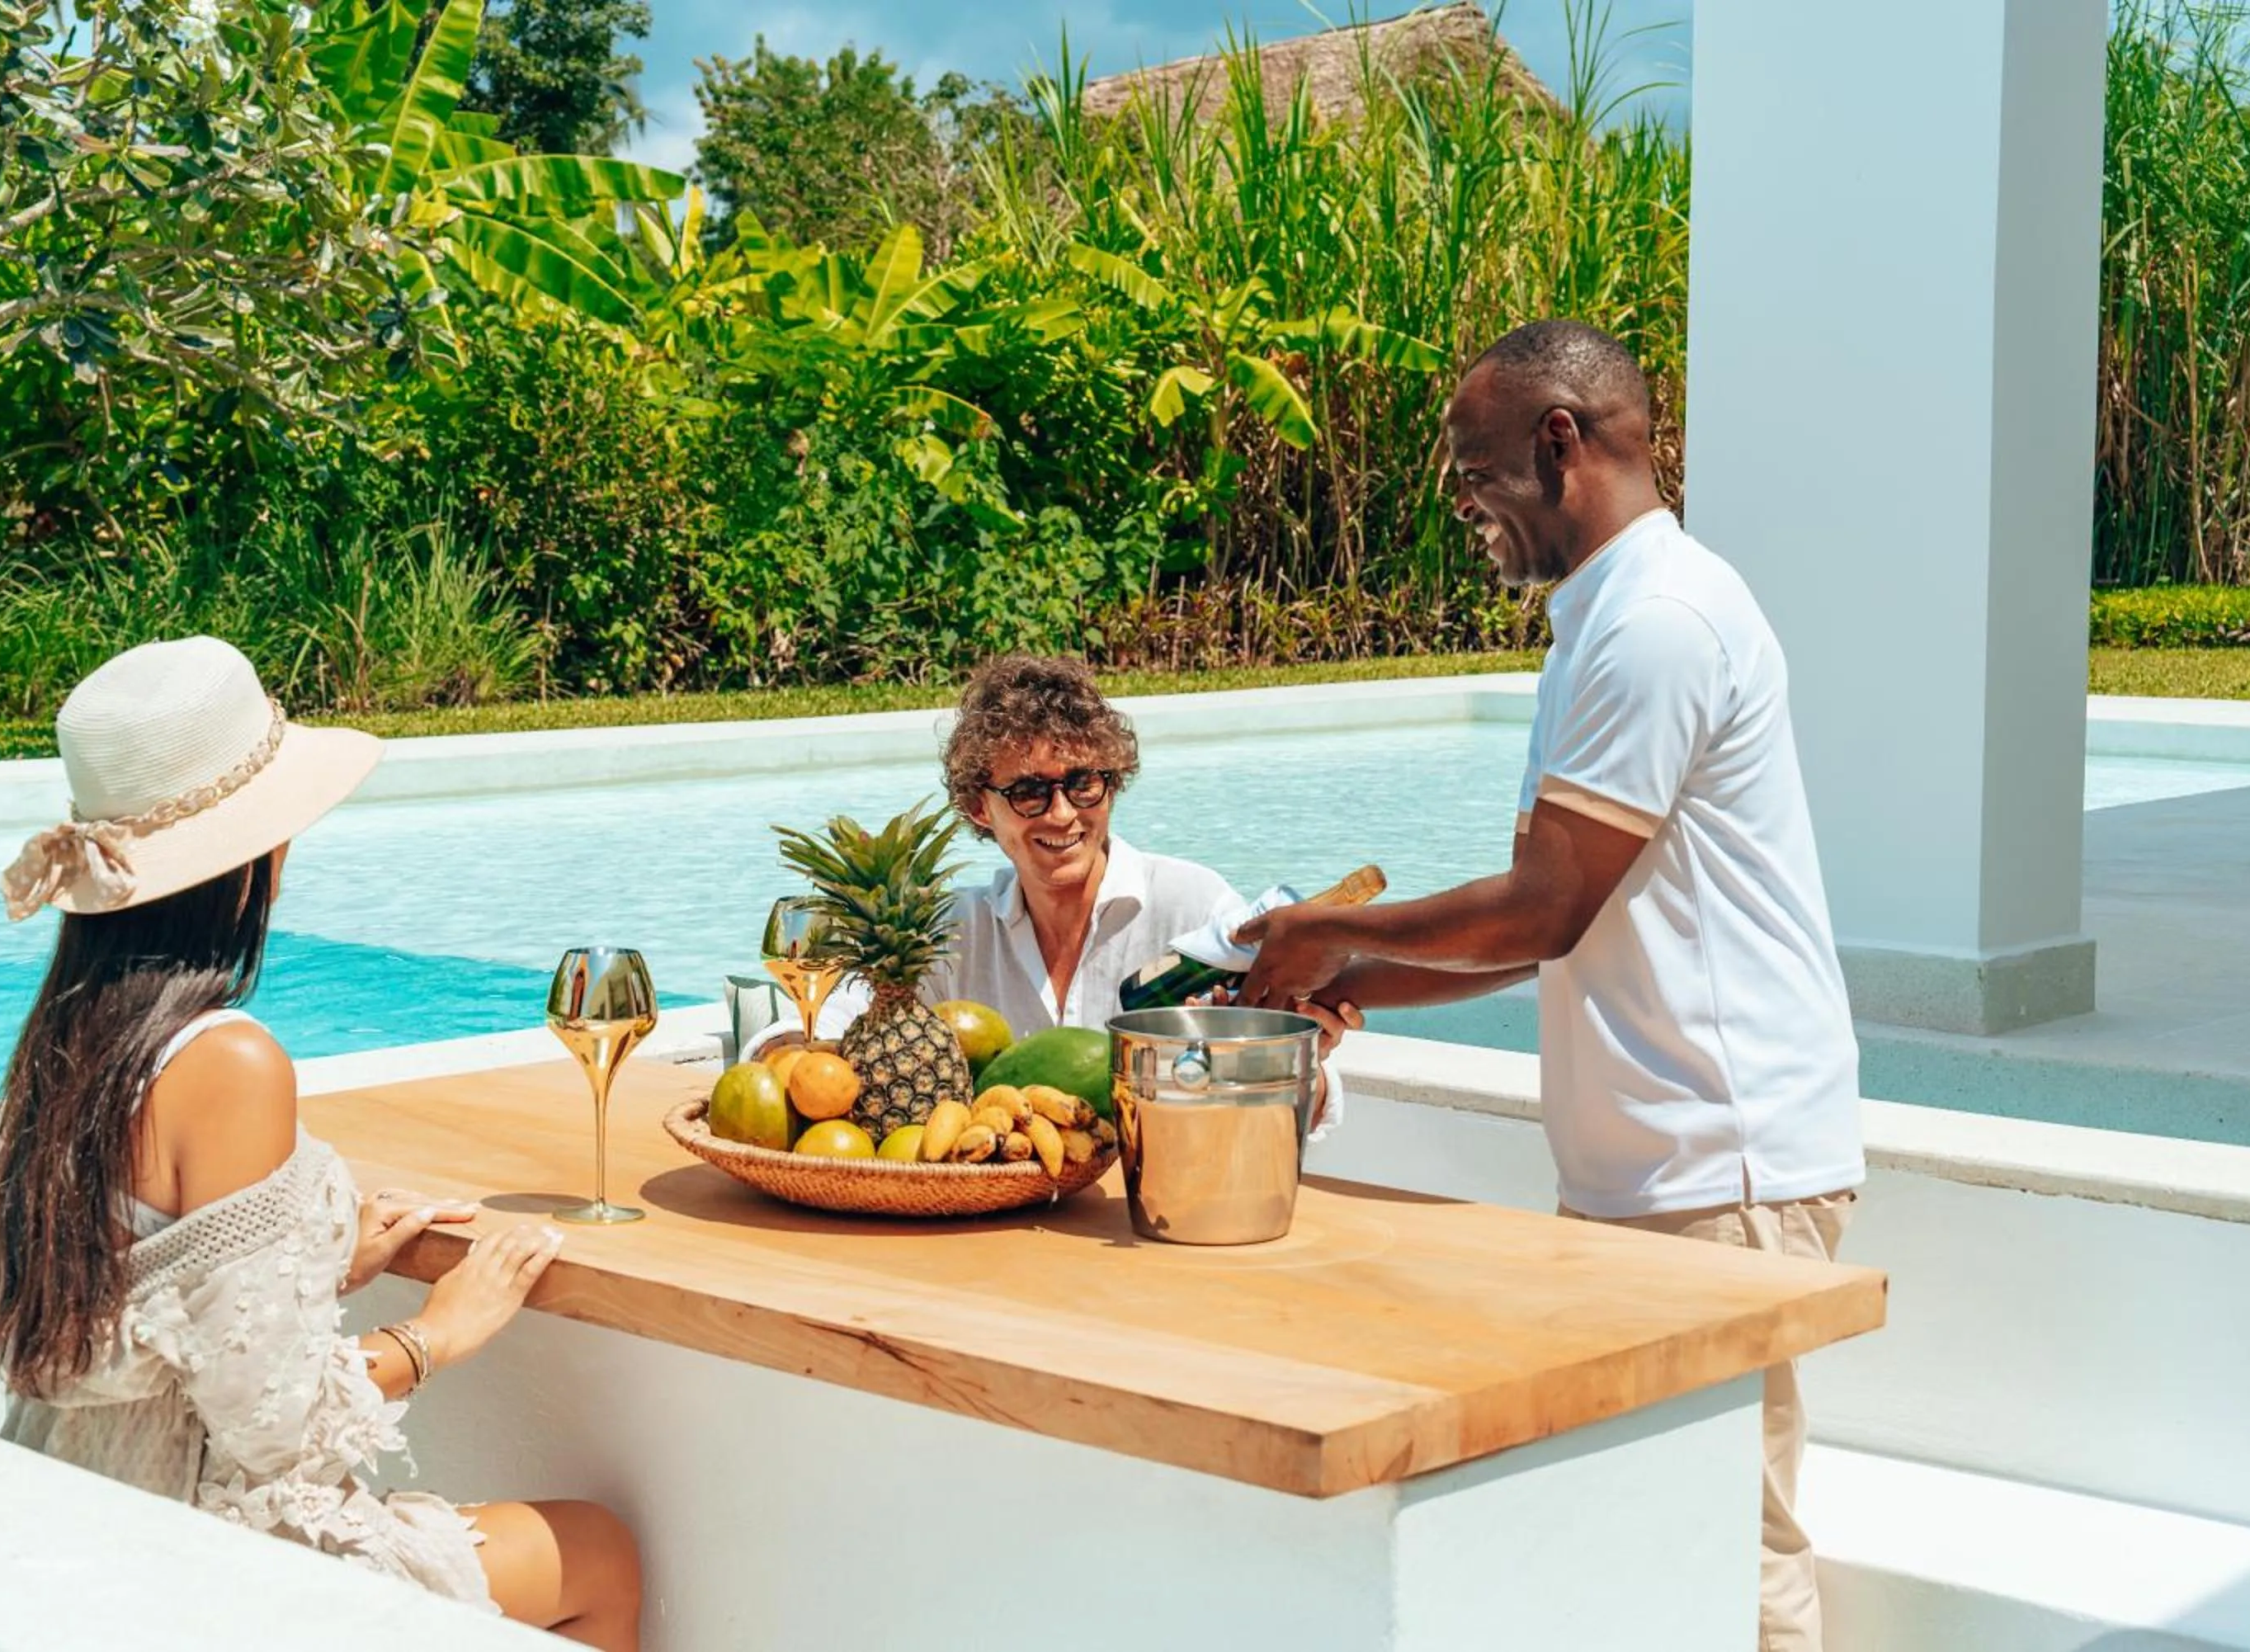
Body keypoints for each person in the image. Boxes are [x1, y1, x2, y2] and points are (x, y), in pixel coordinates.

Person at [1236, 321, 1864, 1652]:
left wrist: (1326, 930)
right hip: (1668, 1166)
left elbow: (1542, 903)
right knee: (1654, 1530)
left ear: (1558, 442)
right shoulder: (1613, 621)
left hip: (1722, 1166)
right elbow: (1552, 938)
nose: (1462, 501)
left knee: (1731, 1542)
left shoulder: (1656, 625)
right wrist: (1333, 986)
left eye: (1472, 467)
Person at [0, 636, 642, 1648]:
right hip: (190, 1565)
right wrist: (441, 1330)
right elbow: (273, 1428)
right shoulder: (228, 1060)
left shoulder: (71, 1042)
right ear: (252, 857)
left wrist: (325, 1261)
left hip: (70, 1514)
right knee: (598, 1554)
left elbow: (136, 1305)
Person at [755, 654, 1360, 1120]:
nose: (1062, 814)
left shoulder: (1191, 905)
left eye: (1084, 784)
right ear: (979, 810)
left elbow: (1314, 1104)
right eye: (1028, 792)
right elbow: (808, 1029)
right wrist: (787, 1051)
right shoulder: (947, 933)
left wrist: (1290, 1060)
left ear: (1114, 785)